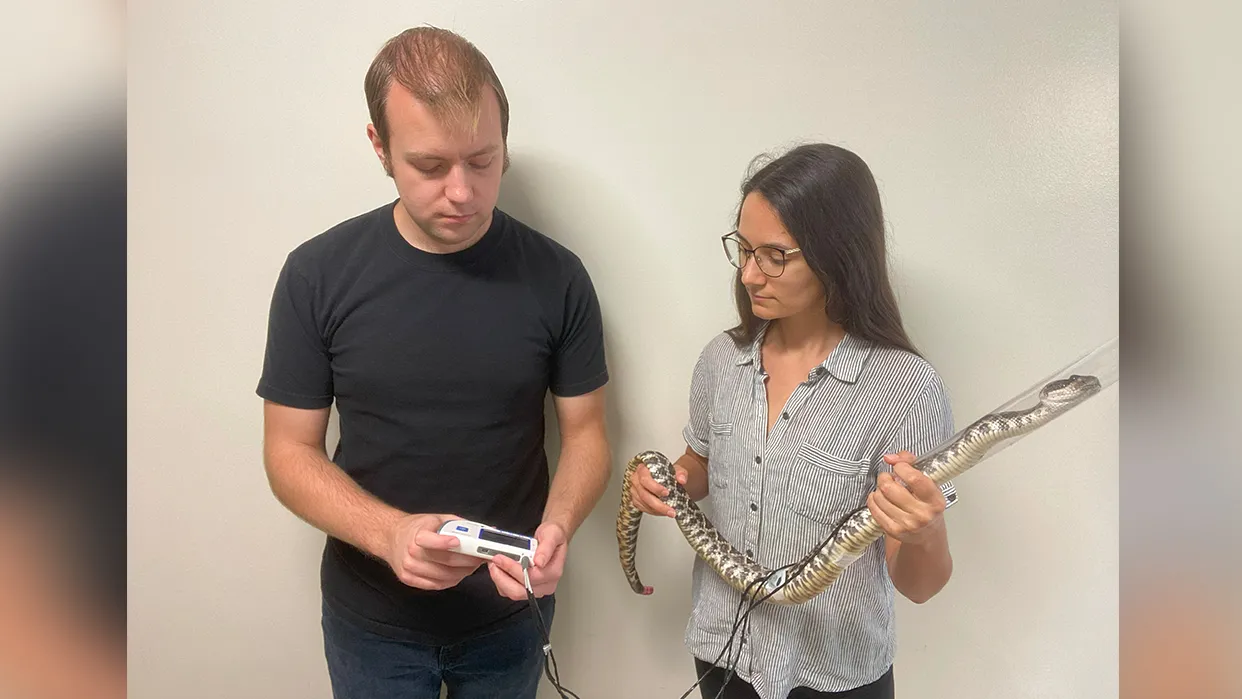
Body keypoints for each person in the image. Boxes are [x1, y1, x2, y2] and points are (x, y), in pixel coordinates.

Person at [256, 26, 611, 699]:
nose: (462, 192)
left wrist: (556, 526)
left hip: (510, 611)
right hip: (373, 621)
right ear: (380, 148)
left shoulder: (558, 277)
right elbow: (289, 452)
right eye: (430, 165)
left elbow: (587, 432)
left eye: (484, 160)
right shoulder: (316, 275)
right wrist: (389, 534)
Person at [629, 143, 959, 699]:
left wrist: (925, 532)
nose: (750, 275)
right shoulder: (719, 361)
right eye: (744, 249)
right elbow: (702, 464)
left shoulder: (907, 390)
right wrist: (666, 481)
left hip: (835, 670)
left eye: (775, 256)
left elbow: (920, 586)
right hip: (724, 653)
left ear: (839, 255)